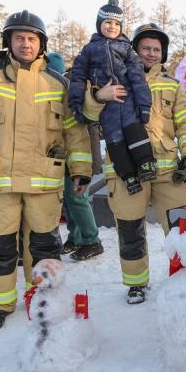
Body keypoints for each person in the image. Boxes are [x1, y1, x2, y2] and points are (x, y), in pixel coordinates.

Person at [0, 10, 92, 330]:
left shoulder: (58, 82)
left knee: (45, 246)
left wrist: (81, 169)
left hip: (44, 184)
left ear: (41, 44)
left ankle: (45, 296)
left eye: (31, 38)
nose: (25, 44)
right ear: (8, 42)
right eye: (19, 38)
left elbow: (75, 131)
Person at [89, 22, 186, 304]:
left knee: (183, 227)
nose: (151, 53)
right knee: (130, 229)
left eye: (156, 49)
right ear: (134, 50)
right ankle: (136, 283)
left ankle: (184, 277)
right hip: (125, 172)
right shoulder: (113, 81)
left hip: (167, 171)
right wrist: (97, 96)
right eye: (145, 48)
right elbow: (89, 115)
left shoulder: (173, 86)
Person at [68, 0, 155, 195]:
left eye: (117, 23)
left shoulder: (127, 49)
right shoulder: (88, 50)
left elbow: (137, 77)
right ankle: (128, 176)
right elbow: (78, 78)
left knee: (134, 130)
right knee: (114, 140)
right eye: (107, 22)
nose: (112, 27)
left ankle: (146, 163)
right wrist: (76, 104)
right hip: (107, 106)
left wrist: (143, 105)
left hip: (127, 99)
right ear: (99, 24)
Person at [46, 52, 104, 261]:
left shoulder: (72, 84)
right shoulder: (65, 81)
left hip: (80, 150)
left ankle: (92, 240)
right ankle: (76, 236)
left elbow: (79, 123)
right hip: (66, 151)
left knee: (77, 198)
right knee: (70, 199)